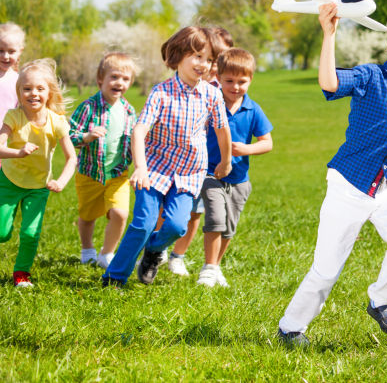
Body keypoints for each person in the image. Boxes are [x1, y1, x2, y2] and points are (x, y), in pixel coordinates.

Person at [277, 6, 387, 346]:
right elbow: (330, 82)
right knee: (327, 267)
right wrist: (329, 33)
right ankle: (291, 329)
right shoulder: (371, 78)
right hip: (349, 185)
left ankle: (381, 300)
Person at [101, 26, 232, 287]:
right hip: (154, 170)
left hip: (188, 172)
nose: (203, 64)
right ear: (177, 56)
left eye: (208, 59)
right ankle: (115, 277)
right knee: (142, 224)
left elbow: (222, 129)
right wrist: (140, 167)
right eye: (196, 56)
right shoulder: (161, 92)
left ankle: (153, 250)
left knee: (175, 226)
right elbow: (140, 130)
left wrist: (226, 160)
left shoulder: (212, 95)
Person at [196, 47, 273, 288]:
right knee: (216, 219)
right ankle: (208, 267)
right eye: (229, 81)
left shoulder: (253, 109)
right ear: (217, 78)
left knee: (229, 228)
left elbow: (267, 143)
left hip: (240, 179)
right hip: (210, 173)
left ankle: (215, 267)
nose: (236, 87)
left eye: (242, 81)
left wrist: (245, 149)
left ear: (251, 80)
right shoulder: (209, 103)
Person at [0, 59, 77, 287]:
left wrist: (61, 181)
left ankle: (21, 274)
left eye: (40, 88)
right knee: (2, 233)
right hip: (10, 181)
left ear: (49, 92)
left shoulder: (57, 122)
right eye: (27, 88)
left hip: (38, 187)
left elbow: (72, 157)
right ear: (19, 91)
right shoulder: (13, 117)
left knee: (31, 233)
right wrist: (18, 153)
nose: (33, 93)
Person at [166, 26, 233, 276]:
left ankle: (177, 256)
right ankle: (157, 249)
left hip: (212, 164)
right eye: (209, 58)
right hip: (183, 161)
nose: (214, 65)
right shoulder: (188, 82)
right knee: (173, 212)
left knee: (196, 214)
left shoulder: (223, 88)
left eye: (217, 59)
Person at [69, 53, 137, 269]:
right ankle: (87, 248)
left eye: (125, 79)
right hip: (89, 173)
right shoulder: (88, 107)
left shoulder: (129, 110)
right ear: (101, 79)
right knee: (87, 216)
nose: (120, 83)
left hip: (118, 174)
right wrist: (87, 137)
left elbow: (134, 141)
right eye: (114, 77)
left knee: (120, 213)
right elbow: (69, 136)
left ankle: (107, 253)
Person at [0, 24, 25, 148]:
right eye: (1, 51)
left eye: (11, 51)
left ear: (20, 51)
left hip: (3, 144)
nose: (5, 56)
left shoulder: (19, 81)